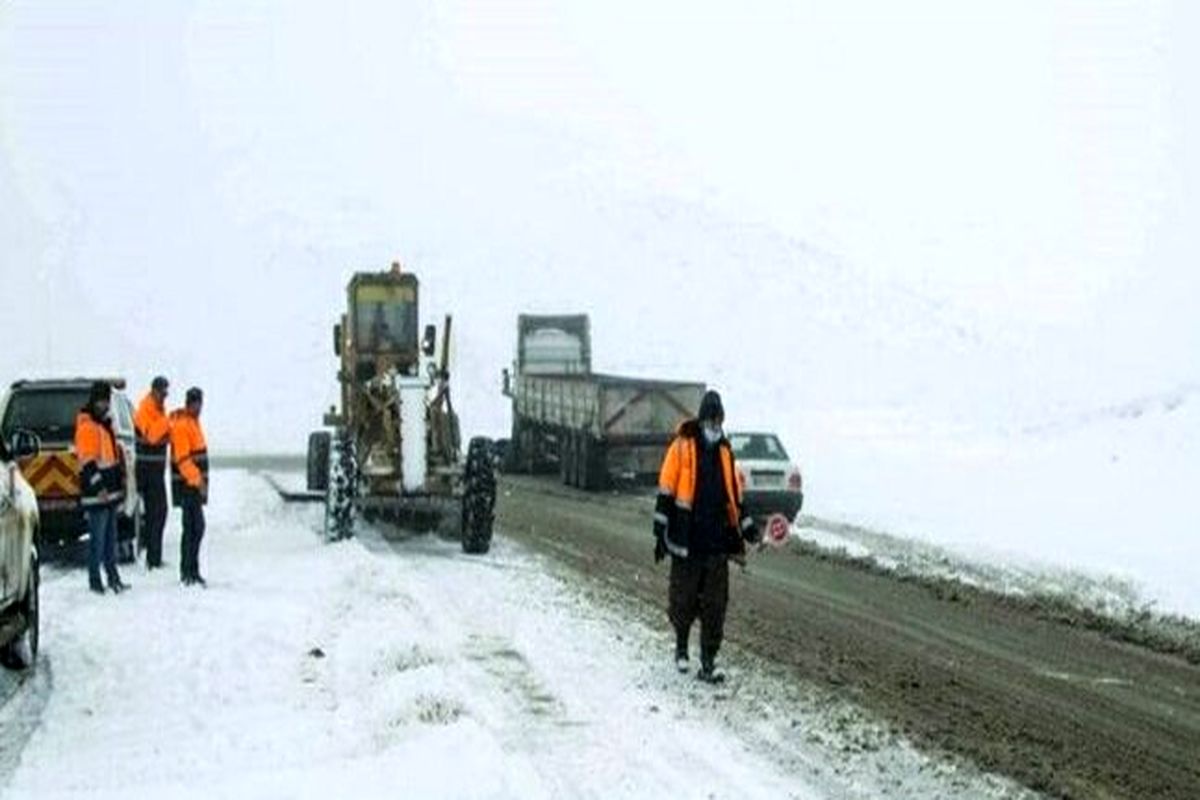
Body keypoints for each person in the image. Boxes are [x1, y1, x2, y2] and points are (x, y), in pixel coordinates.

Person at [653, 390, 759, 683]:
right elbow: (666, 490)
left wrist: (748, 528)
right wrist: (660, 532)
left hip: (716, 546)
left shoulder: (725, 453)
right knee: (683, 600)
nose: (715, 425)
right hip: (687, 542)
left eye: (718, 420)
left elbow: (735, 498)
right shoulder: (681, 447)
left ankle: (709, 661)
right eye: (710, 419)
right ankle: (681, 648)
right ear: (701, 419)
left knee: (715, 606)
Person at [74, 381, 130, 594]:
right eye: (100, 400)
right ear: (93, 401)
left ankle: (113, 577)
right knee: (97, 541)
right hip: (98, 495)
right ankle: (95, 581)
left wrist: (119, 485)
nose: (104, 404)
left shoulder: (104, 426)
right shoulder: (88, 427)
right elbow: (87, 463)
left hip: (110, 494)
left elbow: (111, 460)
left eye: (106, 400)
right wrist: (99, 488)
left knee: (110, 541)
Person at [170, 387, 209, 587]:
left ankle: (192, 570)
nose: (199, 407)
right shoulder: (183, 425)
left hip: (192, 485)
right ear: (190, 403)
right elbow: (183, 459)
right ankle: (187, 571)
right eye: (196, 403)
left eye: (200, 403)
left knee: (196, 529)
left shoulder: (193, 423)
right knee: (193, 529)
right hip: (187, 485)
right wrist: (198, 481)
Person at [134, 376, 172, 569]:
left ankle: (154, 556)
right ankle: (152, 559)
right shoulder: (144, 410)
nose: (165, 397)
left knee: (160, 513)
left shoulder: (158, 411)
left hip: (156, 471)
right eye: (163, 392)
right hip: (147, 471)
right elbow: (152, 436)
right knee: (155, 513)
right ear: (154, 390)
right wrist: (167, 423)